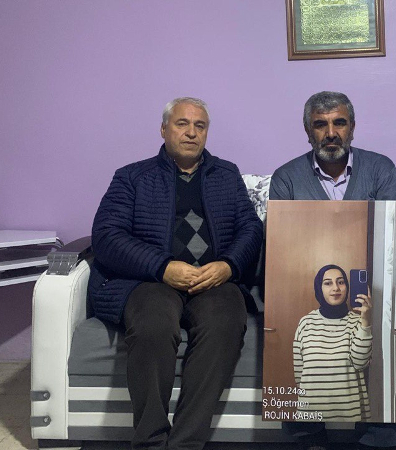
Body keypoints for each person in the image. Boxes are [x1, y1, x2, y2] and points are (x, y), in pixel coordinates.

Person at [89, 97, 263, 449]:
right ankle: (151, 440)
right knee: (153, 325)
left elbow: (250, 228)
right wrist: (162, 267)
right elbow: (106, 236)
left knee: (226, 324)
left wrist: (228, 265)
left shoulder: (226, 174)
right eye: (182, 124)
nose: (191, 133)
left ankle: (185, 442)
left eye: (200, 126)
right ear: (164, 129)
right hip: (149, 281)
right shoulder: (132, 177)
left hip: (214, 282)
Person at [270, 91, 396, 449]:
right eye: (320, 125)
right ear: (308, 131)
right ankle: (306, 436)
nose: (331, 133)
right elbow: (280, 245)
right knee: (291, 319)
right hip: (308, 276)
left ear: (352, 128)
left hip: (371, 278)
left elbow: (395, 235)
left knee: (381, 321)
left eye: (339, 123)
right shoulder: (286, 177)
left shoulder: (380, 169)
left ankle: (377, 437)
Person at [294, 265, 372, 421]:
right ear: (319, 288)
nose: (336, 288)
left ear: (347, 287)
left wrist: (365, 322)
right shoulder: (306, 323)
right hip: (311, 415)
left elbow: (360, 363)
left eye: (341, 282)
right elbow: (299, 375)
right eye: (328, 283)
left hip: (349, 413)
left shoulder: (357, 322)